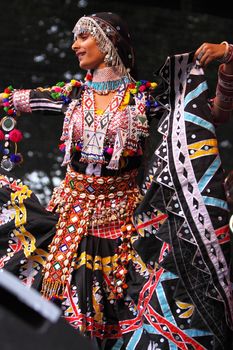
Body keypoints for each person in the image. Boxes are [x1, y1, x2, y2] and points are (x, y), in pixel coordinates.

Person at [0, 11, 233, 350]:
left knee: (124, 317)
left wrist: (228, 56)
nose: (74, 45)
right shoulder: (71, 96)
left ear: (109, 43)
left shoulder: (144, 98)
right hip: (66, 222)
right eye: (75, 37)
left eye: (83, 37)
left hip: (121, 229)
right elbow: (9, 100)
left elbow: (214, 113)